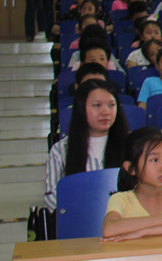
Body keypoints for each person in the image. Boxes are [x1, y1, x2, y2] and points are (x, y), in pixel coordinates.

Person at [43, 80, 129, 213]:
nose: (106, 112)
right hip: (78, 219)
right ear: (81, 109)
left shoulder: (131, 144)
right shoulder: (61, 150)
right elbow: (51, 196)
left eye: (111, 105)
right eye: (97, 105)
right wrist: (83, 211)